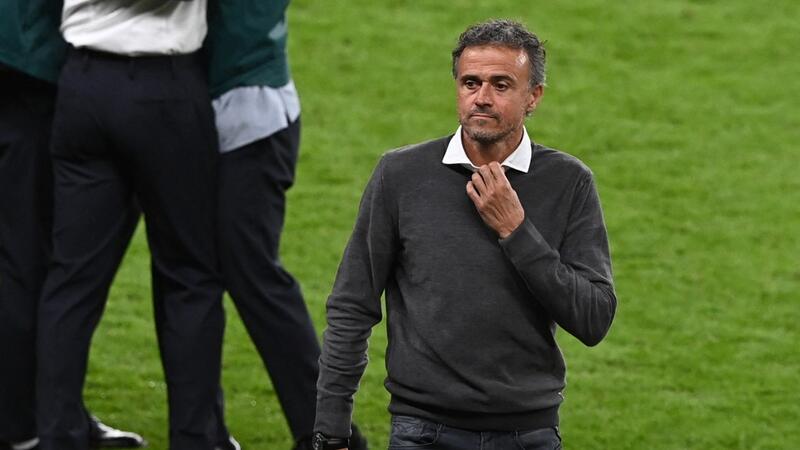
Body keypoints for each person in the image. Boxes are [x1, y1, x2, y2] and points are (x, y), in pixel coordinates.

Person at [312, 19, 617, 450]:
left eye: (501, 85)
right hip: (422, 431)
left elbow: (594, 318)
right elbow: (352, 305)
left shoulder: (569, 182)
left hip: (528, 434)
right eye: (470, 83)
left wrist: (516, 230)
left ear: (534, 96)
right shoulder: (401, 174)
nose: (482, 97)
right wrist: (330, 428)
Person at [34, 1, 225, 448]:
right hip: (165, 89)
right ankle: (196, 439)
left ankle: (59, 435)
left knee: (71, 280)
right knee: (190, 277)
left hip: (83, 85)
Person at [203, 2, 368, 449]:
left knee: (250, 271)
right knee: (190, 273)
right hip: (192, 109)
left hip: (249, 114)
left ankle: (327, 432)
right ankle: (201, 430)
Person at [0, 1, 144, 449]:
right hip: (31, 68)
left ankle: (47, 412)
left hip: (23, 61)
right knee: (36, 256)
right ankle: (23, 422)